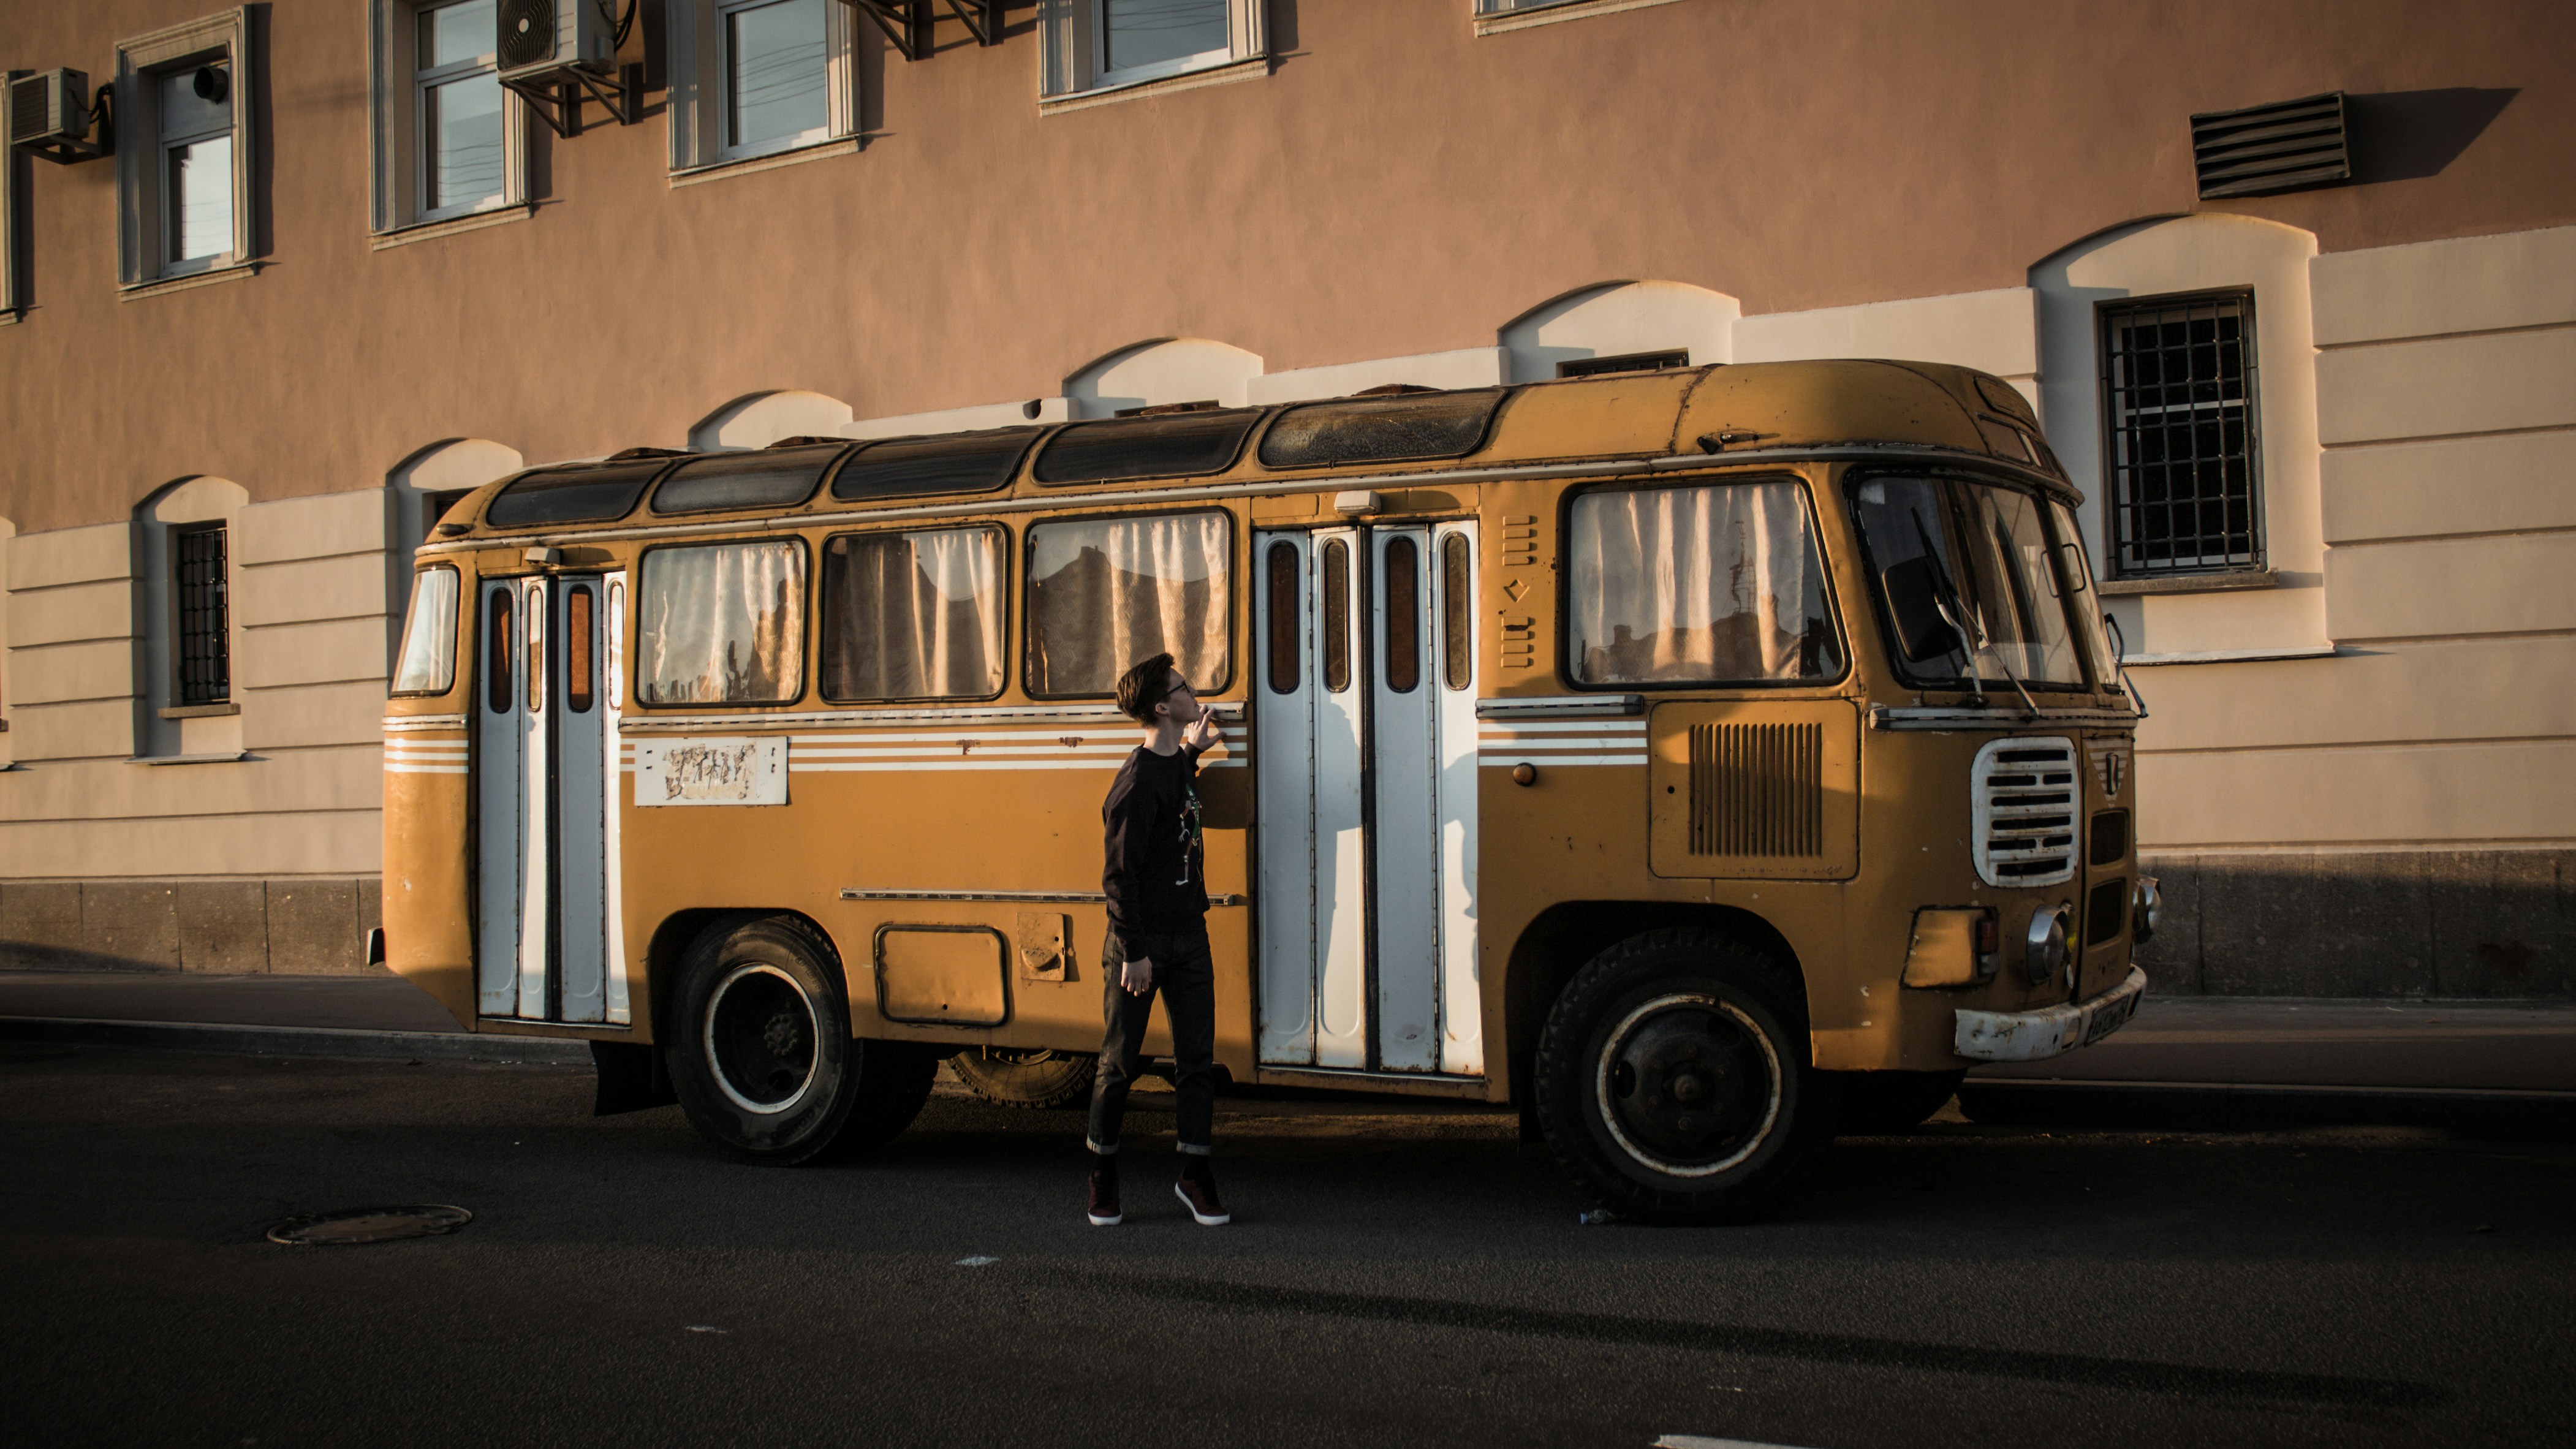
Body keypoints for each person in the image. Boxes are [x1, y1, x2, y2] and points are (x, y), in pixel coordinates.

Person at [1085, 651, 1230, 1227]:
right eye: (1184, 686)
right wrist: (1136, 953)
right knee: (1120, 1062)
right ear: (1164, 706)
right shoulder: (1135, 784)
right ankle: (1102, 1177)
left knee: (1197, 1062)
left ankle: (1194, 1174)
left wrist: (1195, 748)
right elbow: (1118, 876)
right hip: (1142, 947)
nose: (1195, 691)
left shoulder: (1173, 764)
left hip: (1190, 936)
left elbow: (1178, 783)